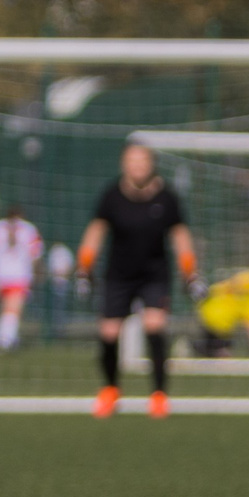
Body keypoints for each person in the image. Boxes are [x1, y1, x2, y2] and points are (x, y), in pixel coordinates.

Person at [76, 142, 196, 418]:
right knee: (108, 332)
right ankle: (110, 390)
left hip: (154, 274)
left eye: (142, 161)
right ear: (124, 164)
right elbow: (95, 232)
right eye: (132, 161)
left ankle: (158, 394)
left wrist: (190, 272)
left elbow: (180, 237)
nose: (137, 166)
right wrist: (84, 267)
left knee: (154, 326)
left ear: (151, 164)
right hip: (119, 274)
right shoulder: (111, 196)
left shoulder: (167, 198)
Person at [0, 207, 44, 352]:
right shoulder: (28, 229)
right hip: (19, 276)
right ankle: (4, 341)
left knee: (8, 308)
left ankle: (10, 338)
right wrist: (38, 271)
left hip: (0, 276)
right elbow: (36, 255)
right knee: (13, 309)